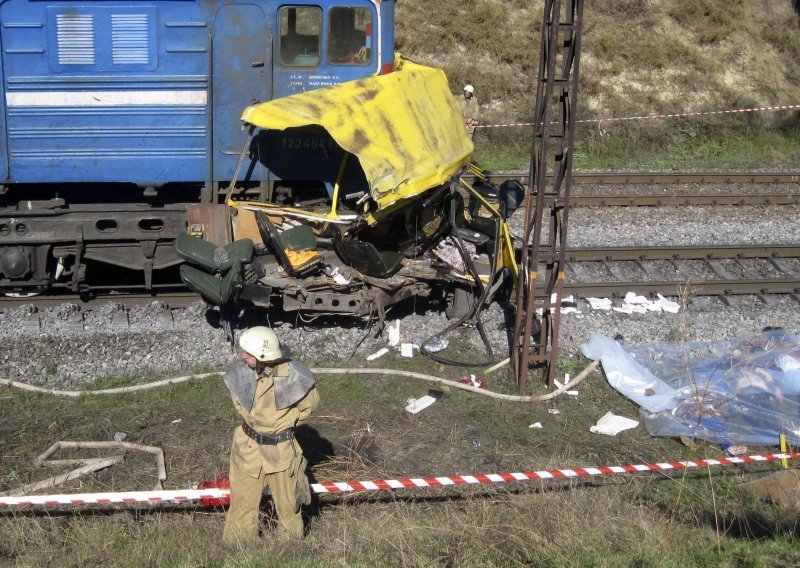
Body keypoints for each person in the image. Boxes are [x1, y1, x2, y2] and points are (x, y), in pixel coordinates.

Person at [222, 326, 320, 543]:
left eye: (248, 353)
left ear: (263, 357)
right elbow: (238, 403)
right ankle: (239, 546)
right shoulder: (242, 370)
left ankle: (289, 548)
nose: (243, 356)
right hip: (247, 448)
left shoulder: (295, 376)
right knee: (242, 503)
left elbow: (308, 407)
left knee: (288, 505)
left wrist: (281, 424)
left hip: (281, 451)